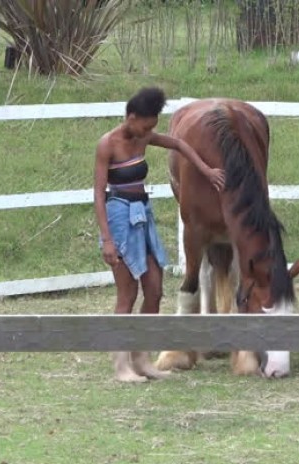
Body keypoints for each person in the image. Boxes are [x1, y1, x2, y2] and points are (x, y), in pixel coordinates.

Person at [94, 87, 225, 383]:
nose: (148, 132)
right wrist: (107, 239)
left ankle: (142, 359)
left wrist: (206, 171)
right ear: (131, 117)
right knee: (127, 295)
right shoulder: (107, 145)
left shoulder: (145, 137)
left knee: (154, 290)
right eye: (145, 125)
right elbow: (98, 194)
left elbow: (180, 145)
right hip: (118, 216)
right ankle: (121, 365)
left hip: (143, 214)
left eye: (153, 126)